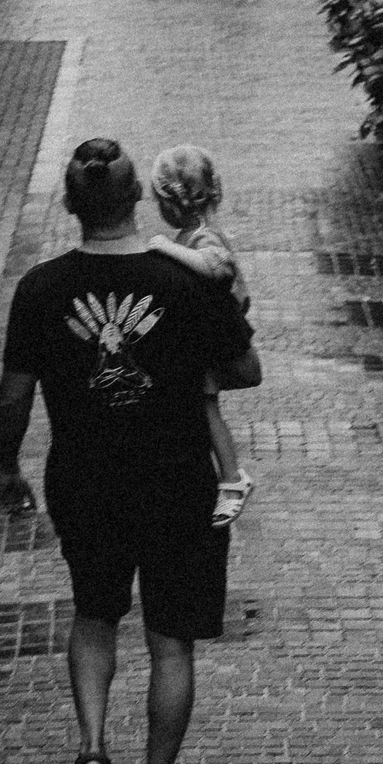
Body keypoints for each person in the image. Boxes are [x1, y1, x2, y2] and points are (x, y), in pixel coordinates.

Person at [0, 137, 260, 764]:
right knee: (171, 643)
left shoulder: (40, 288)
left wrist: (5, 467)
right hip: (176, 483)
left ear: (69, 203)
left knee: (93, 613)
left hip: (83, 481)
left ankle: (90, 744)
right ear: (136, 196)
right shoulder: (188, 283)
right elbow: (245, 367)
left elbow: (15, 395)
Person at [144, 144, 255, 526]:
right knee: (203, 408)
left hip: (214, 344)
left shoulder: (203, 238)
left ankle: (231, 479)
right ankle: (228, 477)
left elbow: (219, 268)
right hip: (209, 338)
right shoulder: (196, 233)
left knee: (208, 410)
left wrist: (165, 248)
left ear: (168, 201)